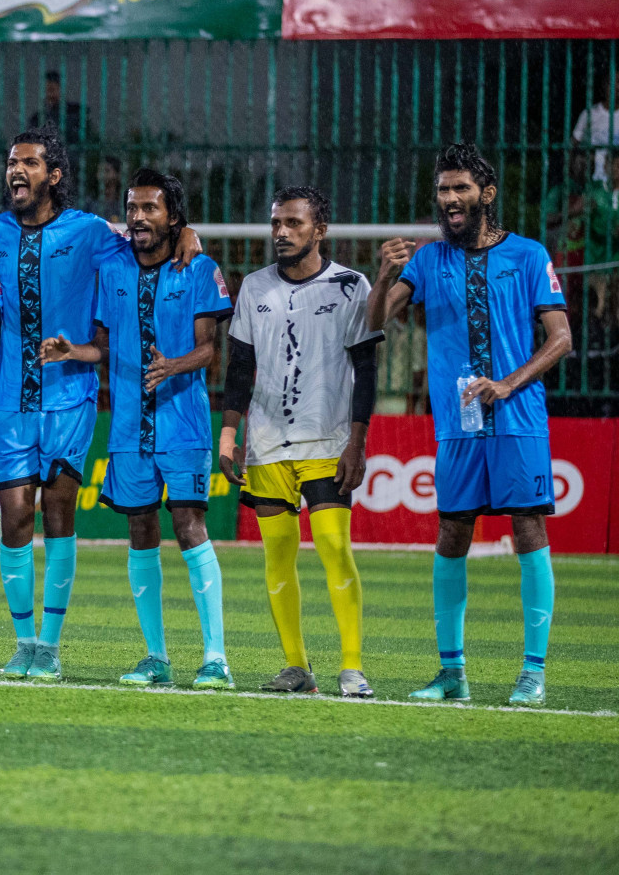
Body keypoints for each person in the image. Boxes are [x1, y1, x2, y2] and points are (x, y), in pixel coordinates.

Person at [0, 128, 199, 682]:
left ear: (53, 176)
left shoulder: (90, 232)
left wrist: (188, 234)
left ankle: (49, 649)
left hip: (70, 394)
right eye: (12, 162)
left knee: (56, 509)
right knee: (14, 516)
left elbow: (146, 241)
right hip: (10, 398)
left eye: (29, 163)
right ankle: (23, 642)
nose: (16, 171)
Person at [367, 143, 569, 707]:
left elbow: (561, 338)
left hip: (518, 417)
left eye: (460, 189)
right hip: (458, 423)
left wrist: (508, 383)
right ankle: (452, 673)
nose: (449, 200)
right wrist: (384, 275)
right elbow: (375, 321)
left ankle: (532, 673)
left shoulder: (529, 256)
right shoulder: (429, 261)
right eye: (442, 191)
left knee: (528, 530)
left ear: (487, 194)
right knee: (452, 532)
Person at [43, 169, 234, 689]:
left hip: (184, 423)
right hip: (127, 426)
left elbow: (209, 349)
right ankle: (156, 657)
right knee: (140, 530)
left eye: (151, 208)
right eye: (133, 207)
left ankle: (216, 658)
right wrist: (72, 351)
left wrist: (174, 366)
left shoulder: (198, 267)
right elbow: (101, 347)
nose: (139, 216)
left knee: (190, 525)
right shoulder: (114, 270)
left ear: (174, 216)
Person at [219, 186, 381, 697]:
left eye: (293, 223)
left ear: (320, 229)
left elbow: (367, 367)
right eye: (276, 223)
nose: (282, 232)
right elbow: (239, 369)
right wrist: (229, 433)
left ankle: (352, 667)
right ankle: (296, 667)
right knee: (278, 554)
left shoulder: (351, 286)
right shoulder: (253, 287)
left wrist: (357, 440)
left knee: (334, 545)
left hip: (328, 441)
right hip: (267, 442)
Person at [572, 77, 616, 184]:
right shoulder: (590, 113)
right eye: (612, 83)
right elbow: (572, 145)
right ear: (605, 86)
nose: (616, 87)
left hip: (615, 181)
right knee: (554, 195)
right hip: (590, 179)